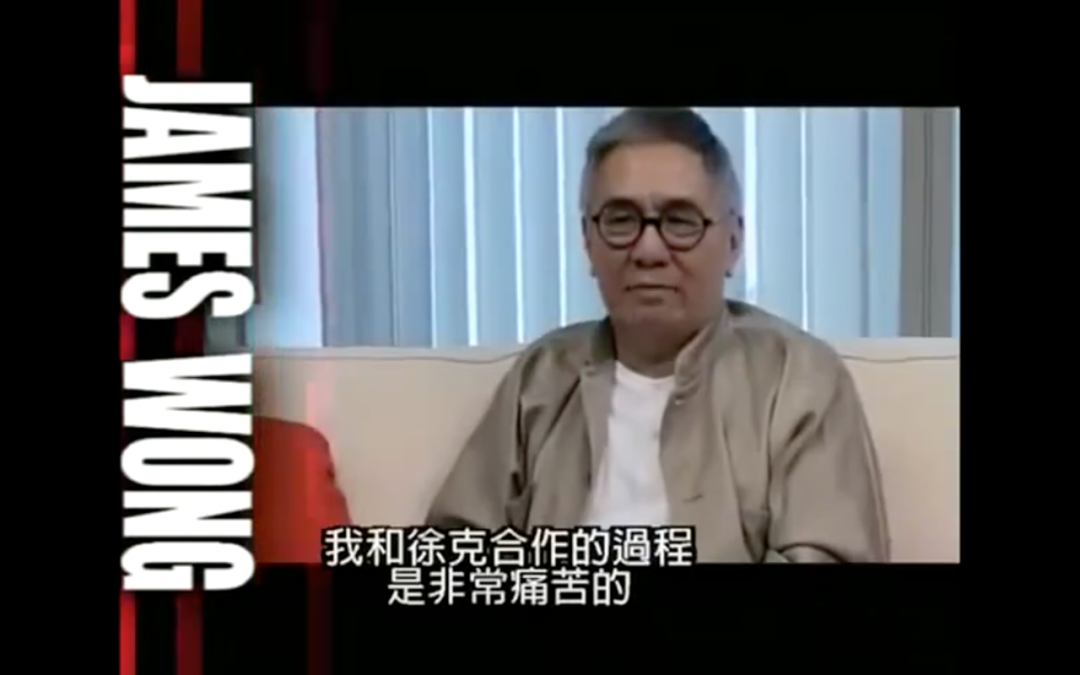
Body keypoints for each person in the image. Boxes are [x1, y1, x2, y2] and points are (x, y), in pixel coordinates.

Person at [427, 108, 889, 563]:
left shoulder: (799, 381)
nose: (648, 250)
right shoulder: (541, 379)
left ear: (733, 242)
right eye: (621, 220)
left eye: (680, 221)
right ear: (588, 241)